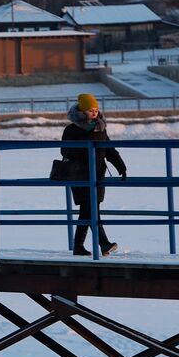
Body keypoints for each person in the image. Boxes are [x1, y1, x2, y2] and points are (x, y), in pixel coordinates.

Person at [61, 93, 127, 256]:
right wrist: (85, 142)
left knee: (87, 211)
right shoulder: (72, 130)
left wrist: (121, 167)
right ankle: (104, 244)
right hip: (80, 175)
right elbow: (64, 150)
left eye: (96, 110)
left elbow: (109, 150)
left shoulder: (100, 129)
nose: (94, 112)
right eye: (90, 110)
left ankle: (78, 247)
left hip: (97, 176)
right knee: (91, 210)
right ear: (82, 111)